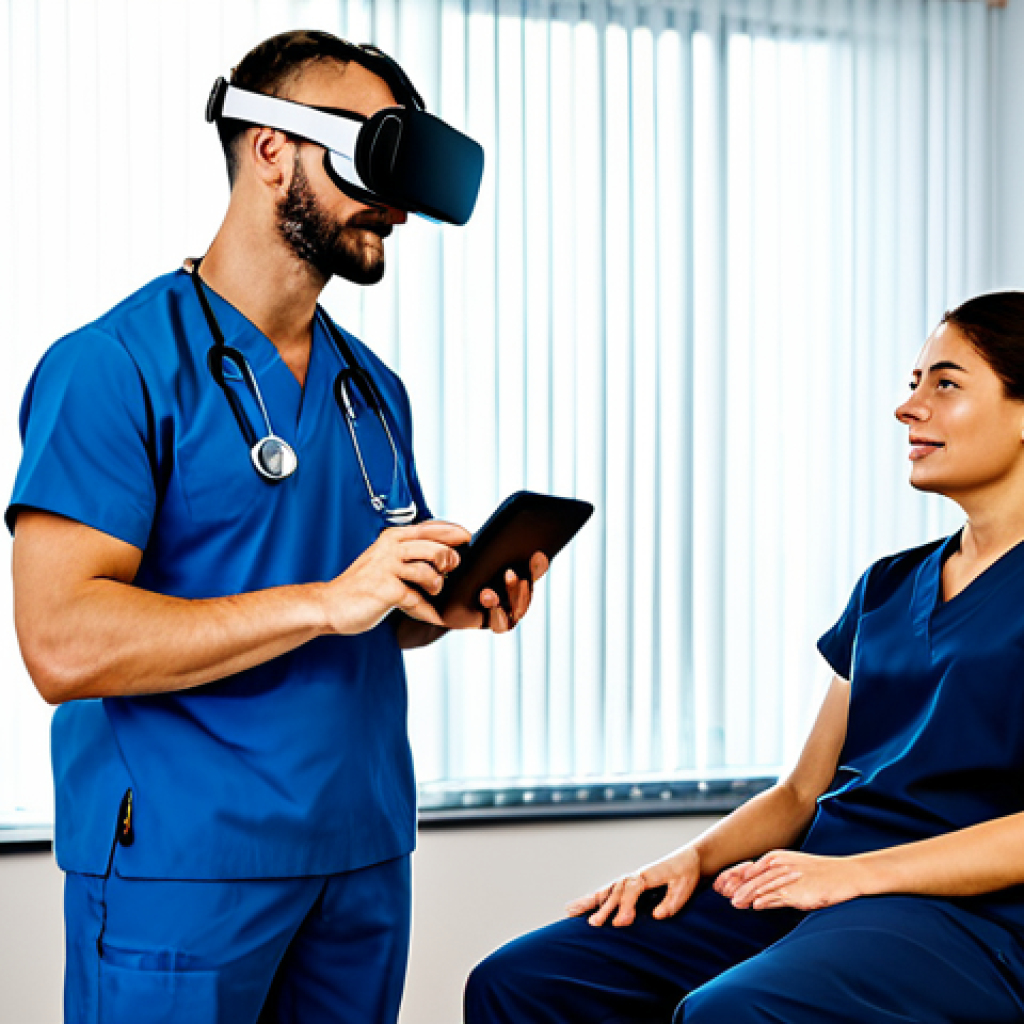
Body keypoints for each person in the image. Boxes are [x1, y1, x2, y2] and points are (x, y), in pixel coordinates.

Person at [8, 29, 545, 1024]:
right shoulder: (111, 368)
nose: (394, 199)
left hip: (361, 851)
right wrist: (329, 599)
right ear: (270, 149)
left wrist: (446, 608)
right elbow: (61, 643)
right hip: (187, 861)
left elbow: (374, 615)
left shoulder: (371, 390)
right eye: (370, 151)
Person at [465, 292, 1024, 1023]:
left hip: (962, 917)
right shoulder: (889, 585)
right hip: (816, 882)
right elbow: (800, 794)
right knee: (522, 980)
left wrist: (851, 877)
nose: (907, 407)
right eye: (913, 381)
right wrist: (693, 861)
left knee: (729, 1012)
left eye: (944, 383)